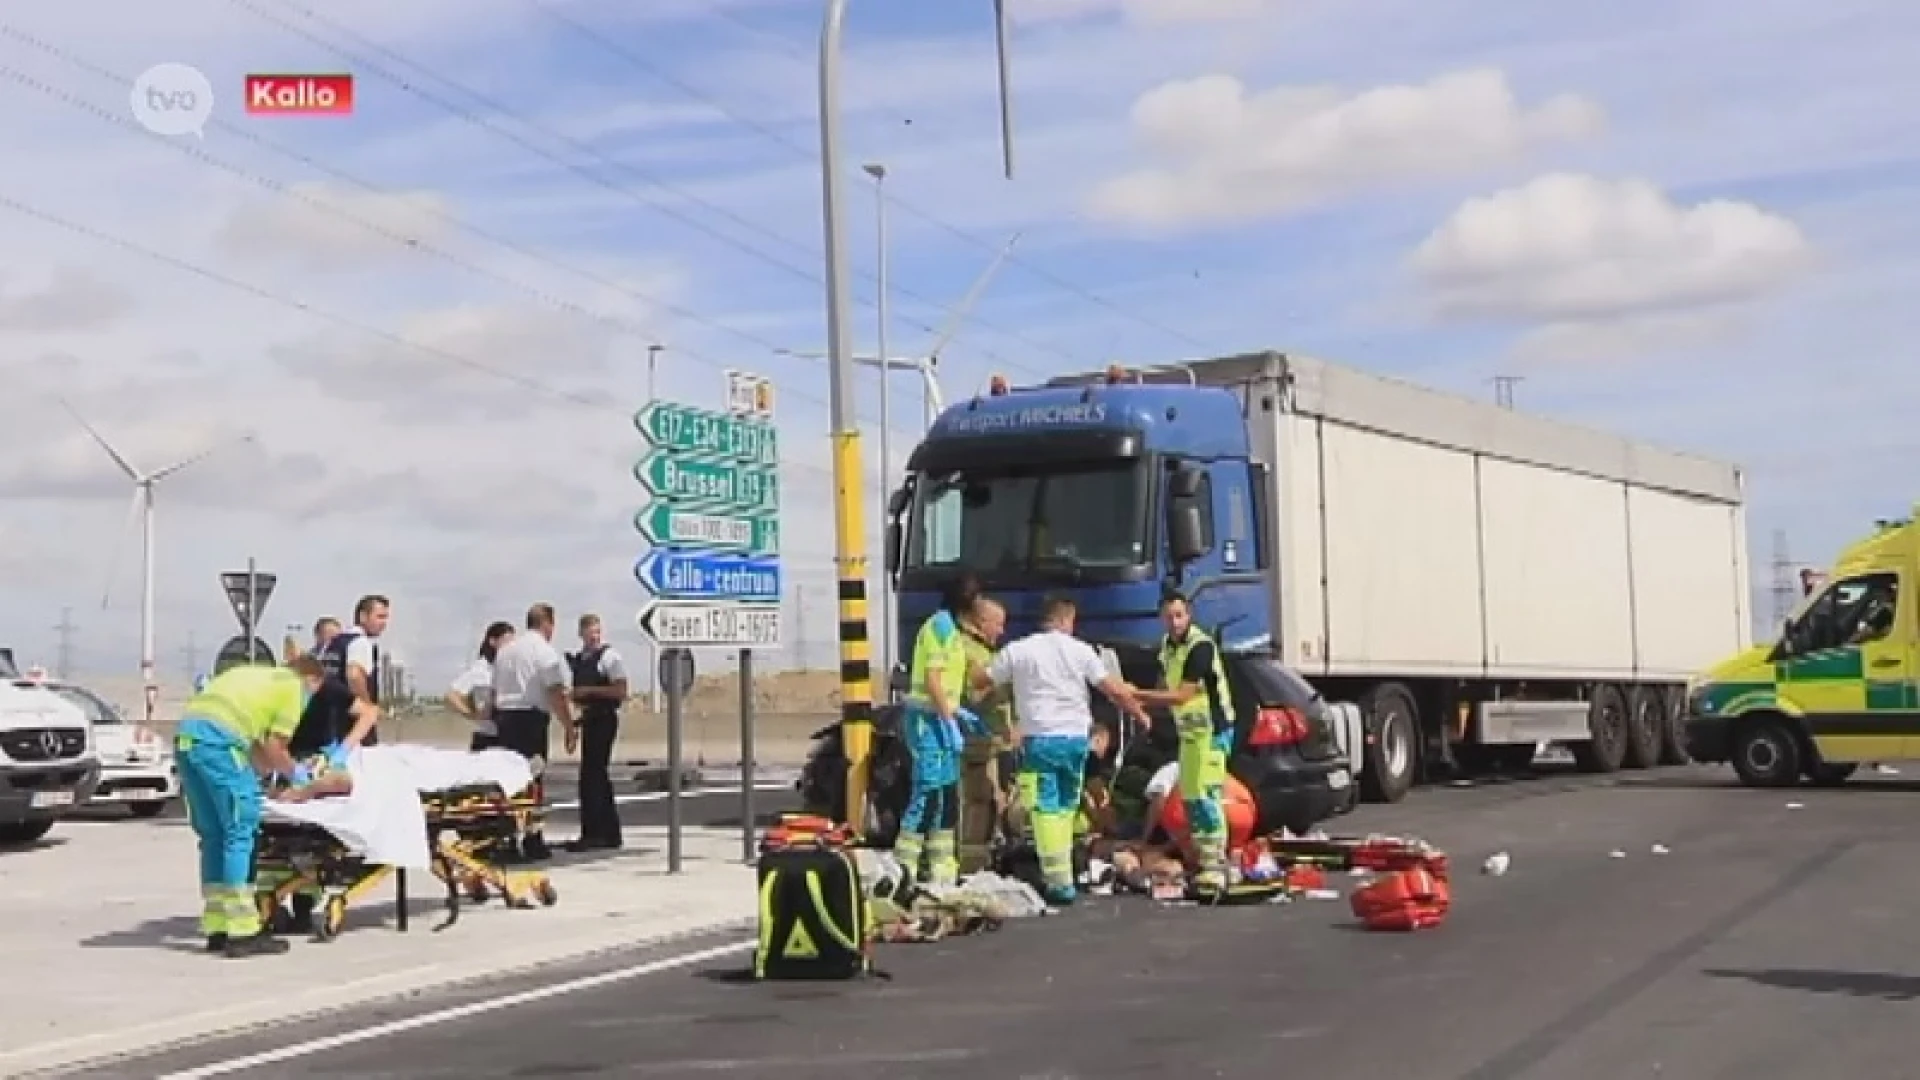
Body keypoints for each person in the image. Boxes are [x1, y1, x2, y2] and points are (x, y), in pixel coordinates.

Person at [175, 655, 359, 957]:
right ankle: (242, 933)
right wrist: (299, 777)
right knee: (240, 832)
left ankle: (217, 926)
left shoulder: (254, 677)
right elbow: (276, 747)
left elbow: (261, 750)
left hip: (188, 741)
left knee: (214, 837)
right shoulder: (292, 689)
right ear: (312, 681)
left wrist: (266, 778)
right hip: (220, 746)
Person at [974, 593, 1143, 905]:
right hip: (1076, 740)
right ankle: (1064, 871)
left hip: (1041, 740)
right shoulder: (1081, 651)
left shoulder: (1019, 650)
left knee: (1047, 807)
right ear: (1066, 620)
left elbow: (981, 679)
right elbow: (1113, 689)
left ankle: (1058, 880)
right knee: (1066, 805)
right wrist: (1140, 713)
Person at [1130, 592, 1236, 898]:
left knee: (1205, 793)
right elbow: (1167, 687)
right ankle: (1203, 860)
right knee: (1190, 796)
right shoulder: (1167, 647)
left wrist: (1139, 695)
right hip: (1190, 733)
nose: (1174, 622)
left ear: (1189, 615)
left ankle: (1216, 862)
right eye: (1168, 617)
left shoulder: (1199, 647)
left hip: (1213, 731)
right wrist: (1139, 704)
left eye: (1179, 615)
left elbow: (1181, 695)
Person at [895, 574, 989, 889]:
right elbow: (933, 679)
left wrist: (957, 712)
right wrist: (949, 721)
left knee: (946, 795)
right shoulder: (939, 628)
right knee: (927, 792)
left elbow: (948, 684)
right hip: (928, 724)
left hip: (941, 720)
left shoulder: (954, 631)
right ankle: (905, 866)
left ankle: (942, 865)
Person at [491, 603, 576, 861]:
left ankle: (506, 839)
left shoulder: (505, 652)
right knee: (533, 780)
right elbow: (556, 692)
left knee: (507, 780)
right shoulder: (544, 652)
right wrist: (569, 726)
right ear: (548, 624)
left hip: (505, 719)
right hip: (530, 721)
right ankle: (532, 839)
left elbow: (494, 691)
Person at [292, 595, 388, 759]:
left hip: (326, 727)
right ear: (363, 616)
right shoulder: (360, 642)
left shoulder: (334, 643)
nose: (384, 623)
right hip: (349, 729)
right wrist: (366, 708)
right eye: (379, 617)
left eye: (386, 617)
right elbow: (354, 675)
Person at [566, 614, 630, 852]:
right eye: (590, 632)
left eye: (597, 632)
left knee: (594, 775)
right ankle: (602, 832)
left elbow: (620, 690)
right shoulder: (581, 659)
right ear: (581, 633)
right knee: (592, 776)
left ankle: (599, 833)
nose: (594, 636)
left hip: (604, 719)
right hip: (589, 720)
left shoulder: (609, 657)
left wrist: (588, 690)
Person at [955, 596, 1010, 873]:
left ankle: (977, 859)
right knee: (978, 801)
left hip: (989, 739)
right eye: (998, 624)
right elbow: (973, 694)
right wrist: (1001, 680)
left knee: (991, 799)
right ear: (982, 621)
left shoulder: (982, 649)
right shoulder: (971, 651)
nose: (1002, 631)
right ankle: (970, 864)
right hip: (974, 739)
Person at [448, 621, 514, 751]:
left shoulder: (507, 668)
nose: (511, 646)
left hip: (508, 736)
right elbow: (452, 695)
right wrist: (471, 714)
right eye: (507, 641)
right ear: (493, 641)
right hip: (487, 736)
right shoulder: (481, 669)